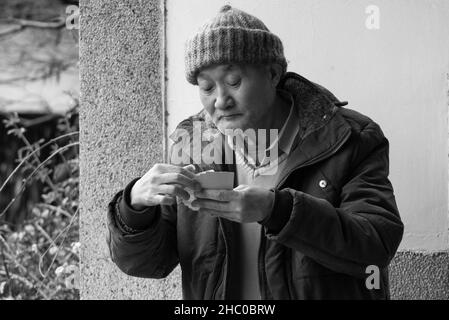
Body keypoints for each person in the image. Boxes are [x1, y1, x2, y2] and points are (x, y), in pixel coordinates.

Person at [106, 5, 404, 300]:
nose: (220, 101)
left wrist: (277, 210)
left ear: (273, 73)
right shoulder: (193, 145)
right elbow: (151, 263)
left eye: (233, 81)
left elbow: (376, 245)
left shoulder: (347, 138)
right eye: (207, 87)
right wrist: (134, 209)